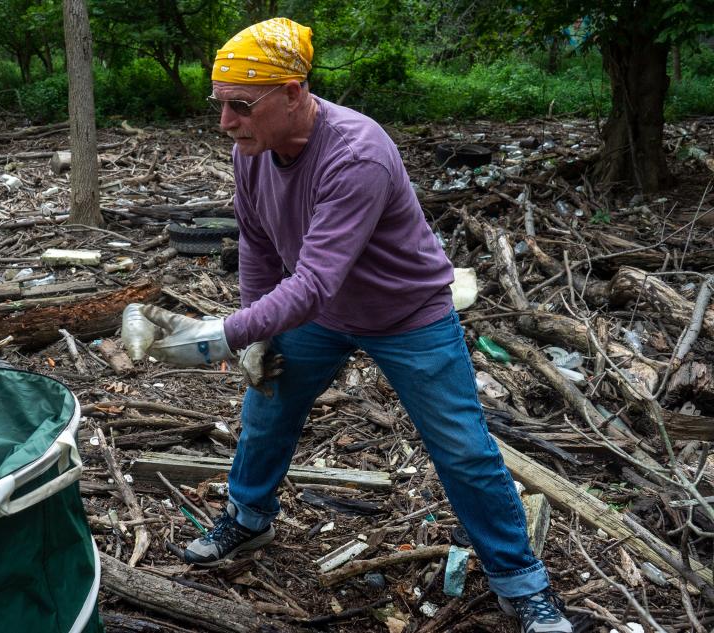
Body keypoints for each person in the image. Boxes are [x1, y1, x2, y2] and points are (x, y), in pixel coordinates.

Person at [121, 17, 573, 633]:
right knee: (267, 411)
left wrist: (219, 335)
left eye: (240, 106)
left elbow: (312, 282)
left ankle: (522, 583)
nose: (226, 123)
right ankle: (248, 519)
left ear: (293, 93)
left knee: (463, 450)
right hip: (320, 315)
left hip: (406, 315)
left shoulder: (355, 153)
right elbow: (256, 244)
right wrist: (255, 333)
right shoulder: (251, 152)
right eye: (219, 105)